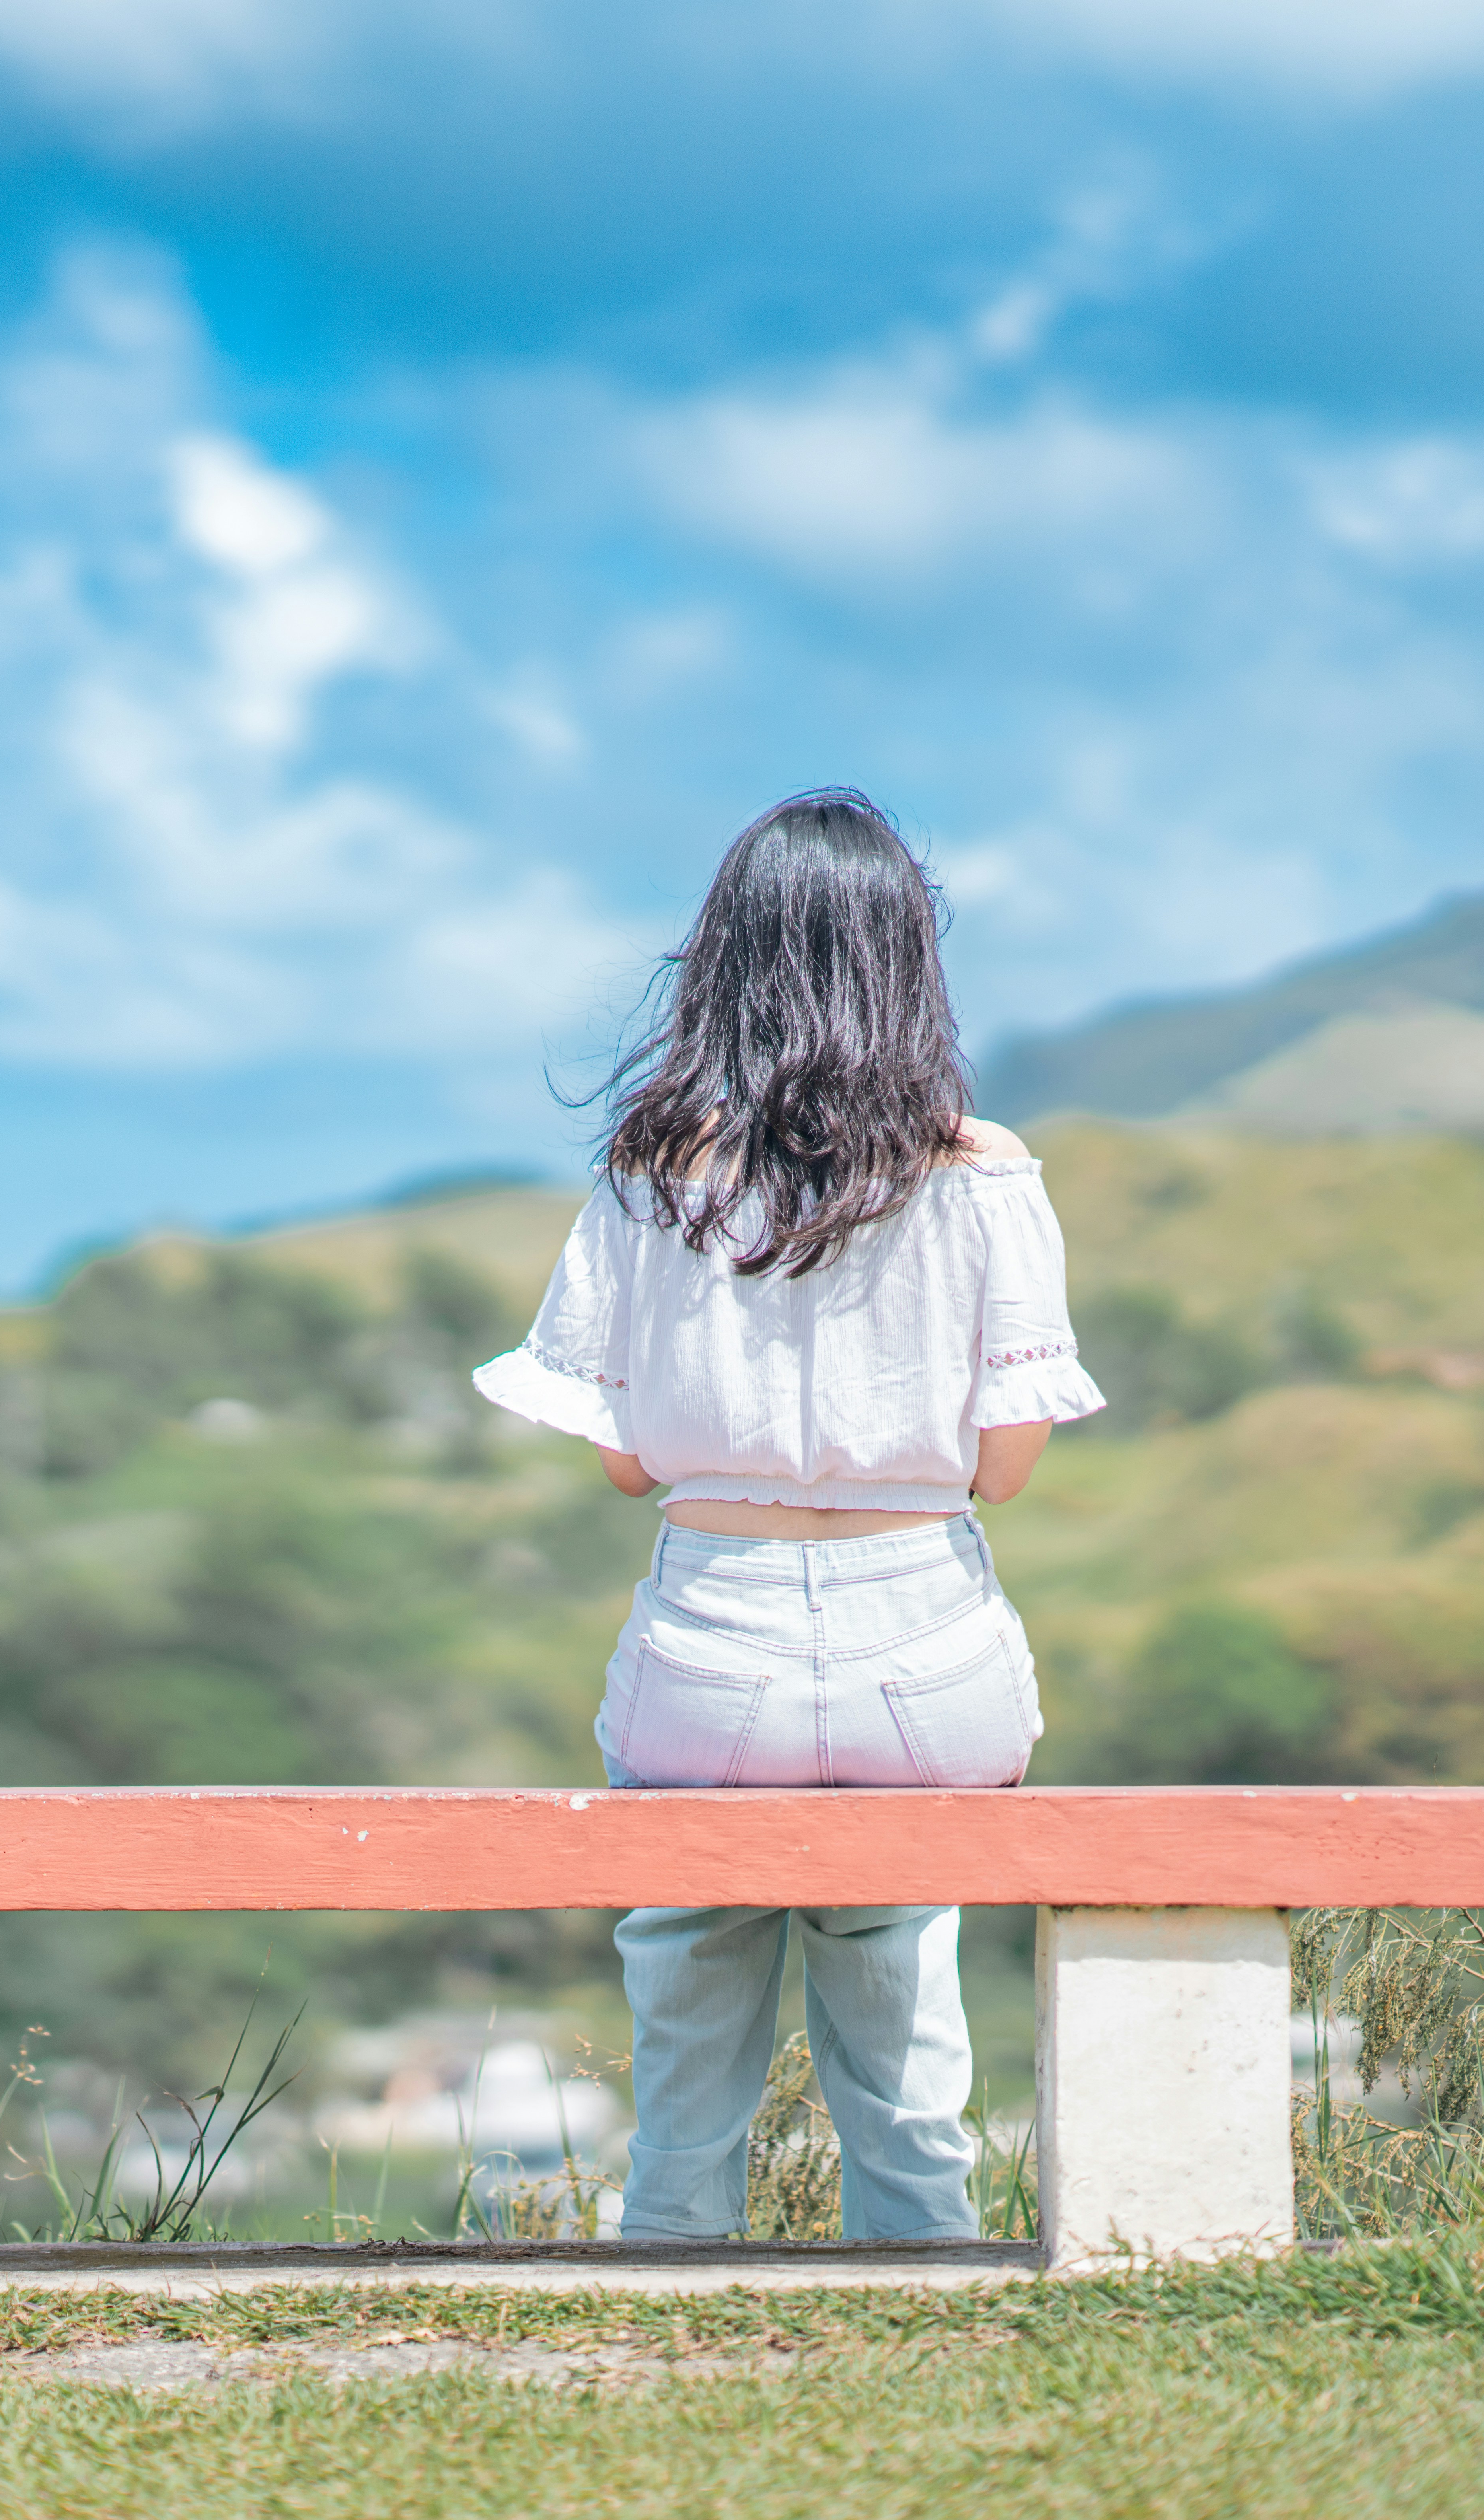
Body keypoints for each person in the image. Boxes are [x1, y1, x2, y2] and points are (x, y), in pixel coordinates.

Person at [471, 789, 1104, 2242]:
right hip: (926, 1656)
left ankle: (674, 2253)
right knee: (894, 1958)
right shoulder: (984, 1172)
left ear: (726, 962)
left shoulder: (654, 1172)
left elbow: (627, 1461)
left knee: (691, 1956)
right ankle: (924, 2251)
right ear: (904, 962)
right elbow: (1003, 1469)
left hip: (713, 1646)